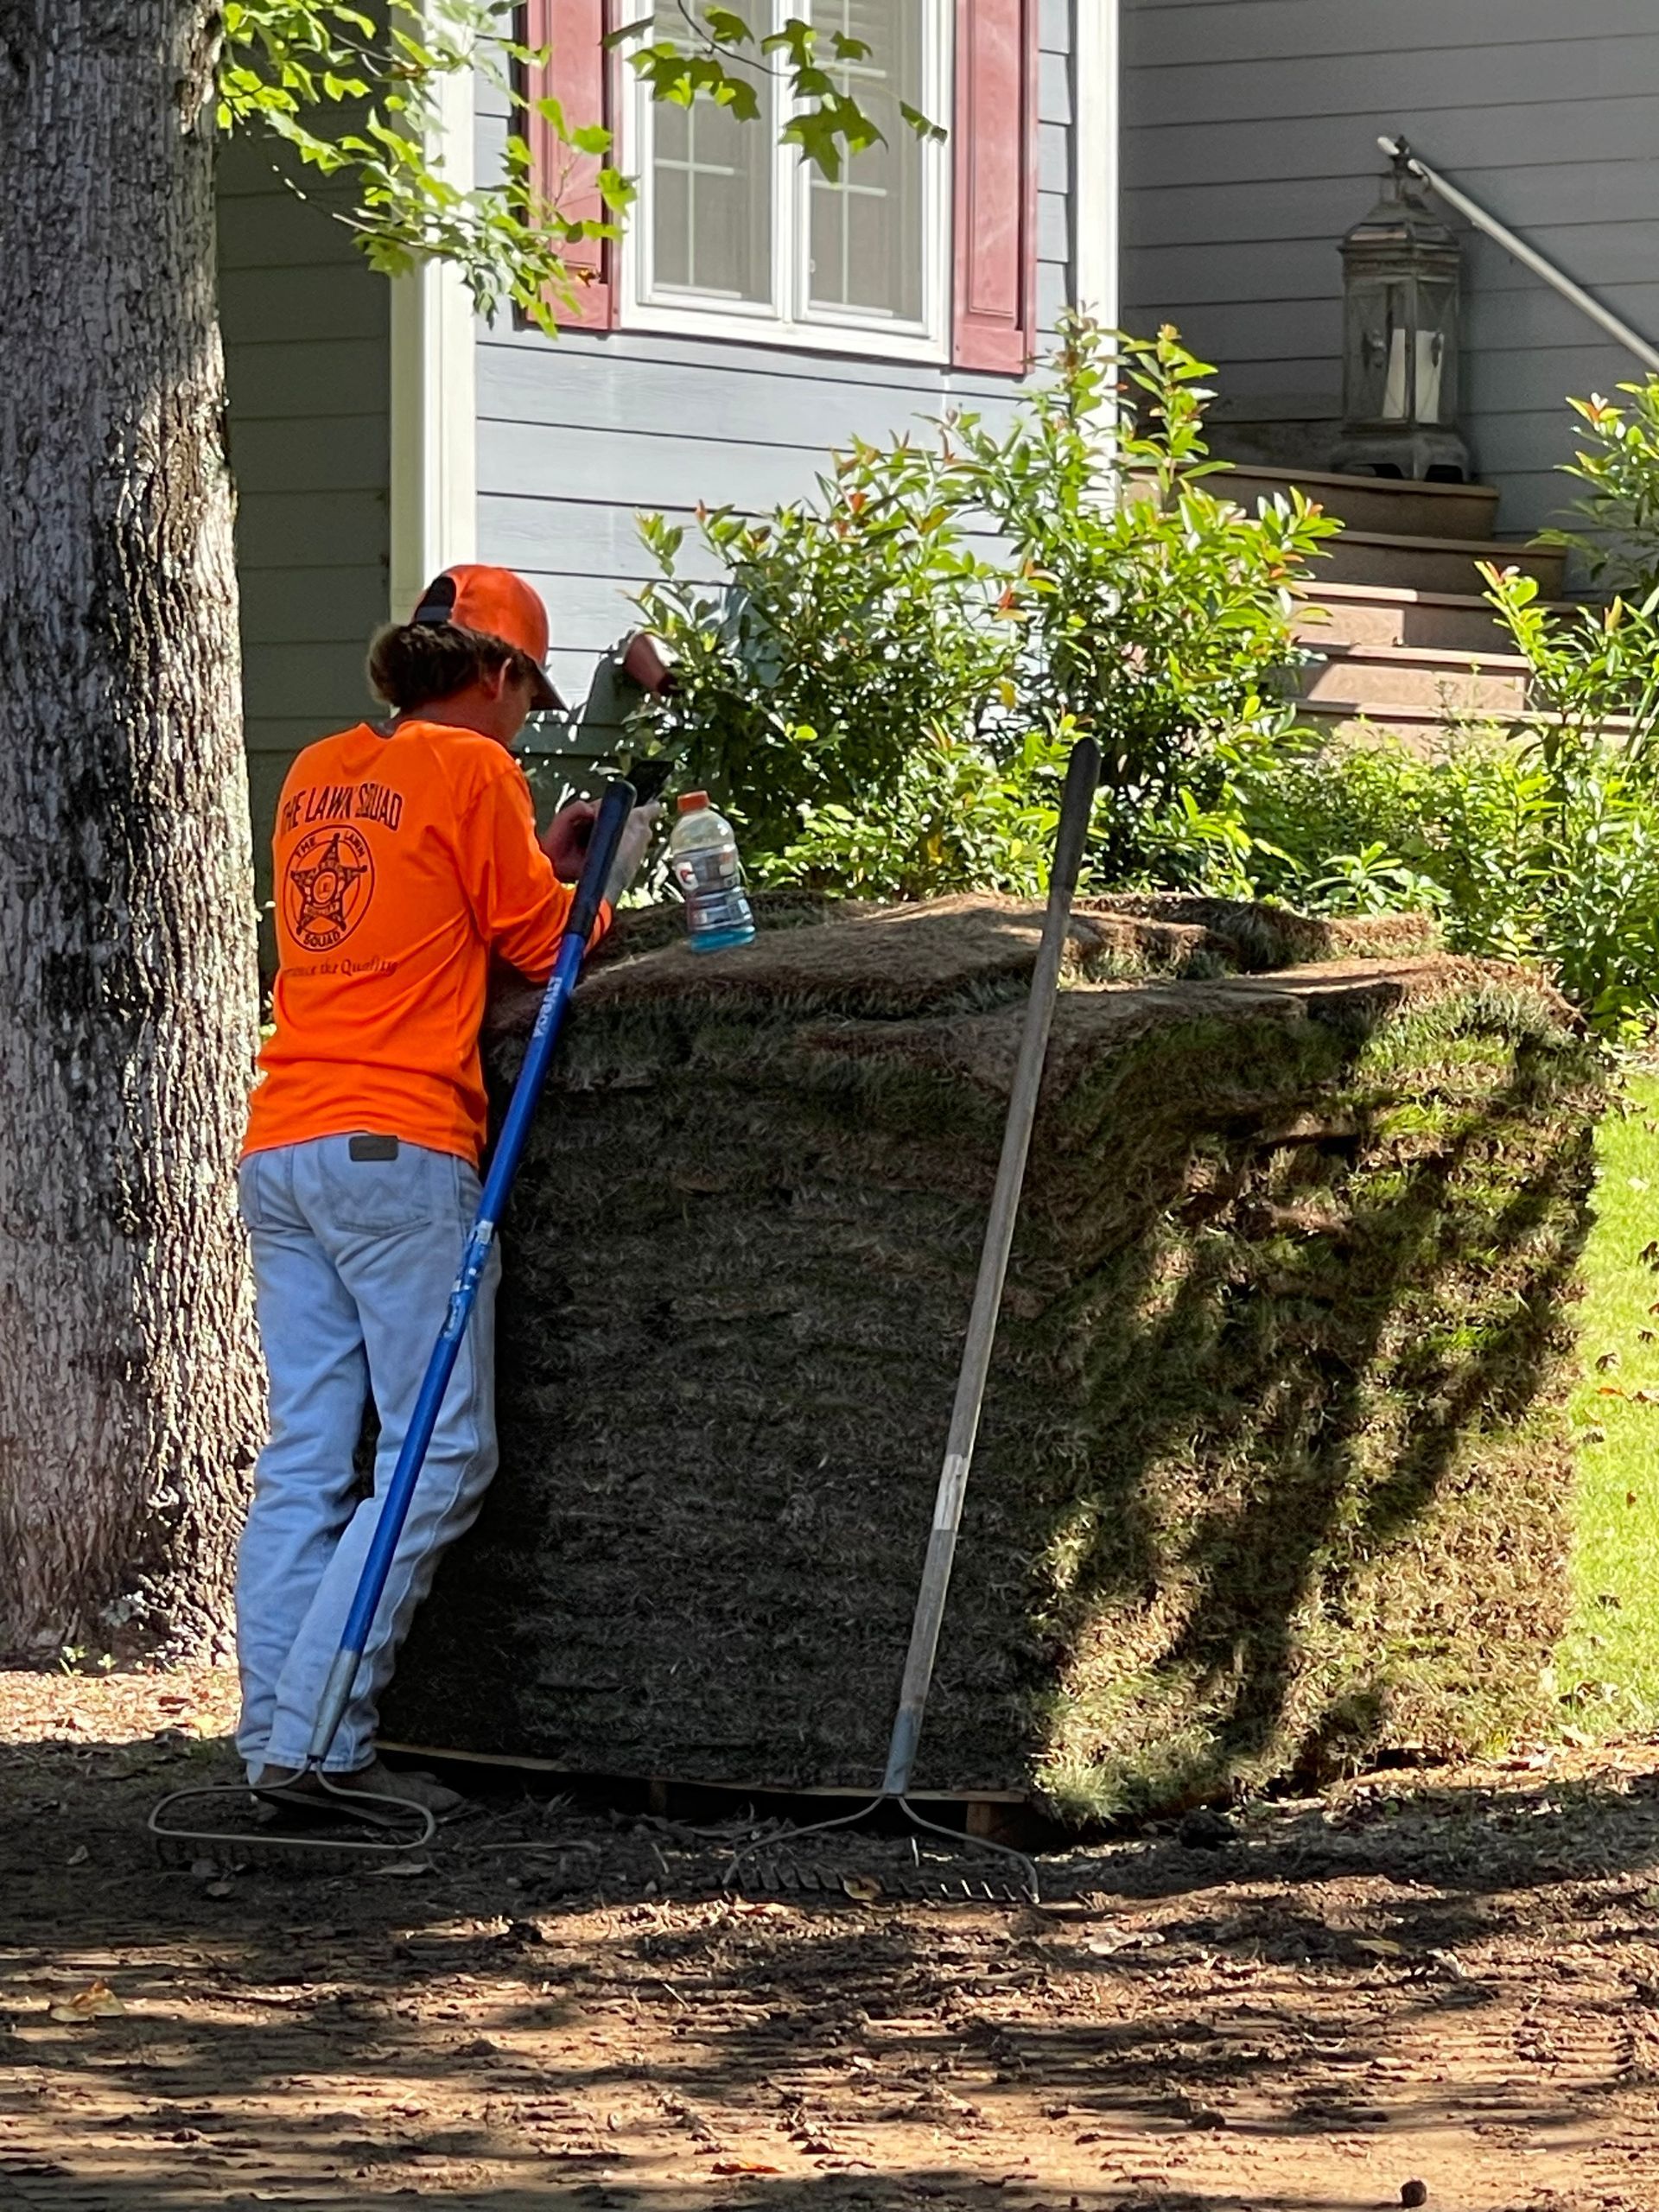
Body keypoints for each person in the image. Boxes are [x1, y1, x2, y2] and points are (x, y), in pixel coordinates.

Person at [233, 563, 655, 1818]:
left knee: (311, 1456)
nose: (525, 717)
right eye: (526, 689)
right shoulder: (478, 772)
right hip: (398, 1144)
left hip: (286, 1139)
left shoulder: (319, 772)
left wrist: (533, 854)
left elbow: (412, 908)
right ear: (499, 674)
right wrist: (594, 884)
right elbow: (548, 945)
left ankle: (268, 1735)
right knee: (440, 1451)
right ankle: (322, 1739)